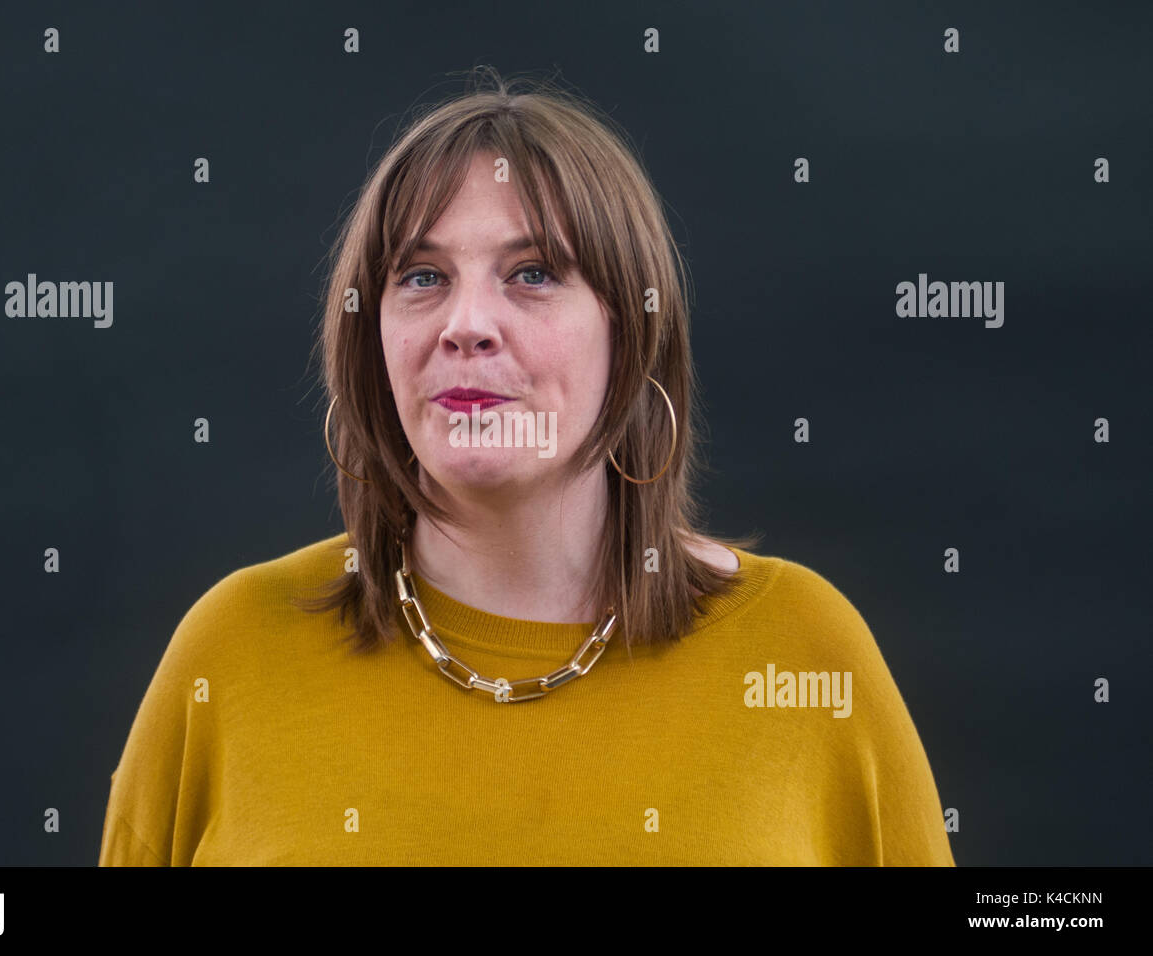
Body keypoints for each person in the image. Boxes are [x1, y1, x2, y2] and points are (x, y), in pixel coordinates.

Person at [98, 67, 955, 866]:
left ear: (634, 336)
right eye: (423, 275)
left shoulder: (805, 654)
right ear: (374, 344)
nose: (466, 323)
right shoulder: (231, 654)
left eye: (534, 272)